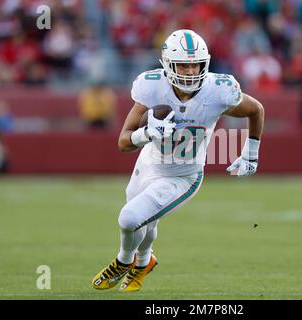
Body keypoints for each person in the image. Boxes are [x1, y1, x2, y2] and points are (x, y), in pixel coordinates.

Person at [91, 29, 265, 293]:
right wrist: (146, 133)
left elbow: (256, 109)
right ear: (169, 64)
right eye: (183, 64)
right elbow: (123, 142)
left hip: (183, 175)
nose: (191, 71)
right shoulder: (152, 87)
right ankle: (144, 261)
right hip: (149, 161)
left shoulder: (218, 91)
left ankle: (123, 261)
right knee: (143, 220)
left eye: (195, 64)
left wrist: (250, 153)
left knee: (129, 219)